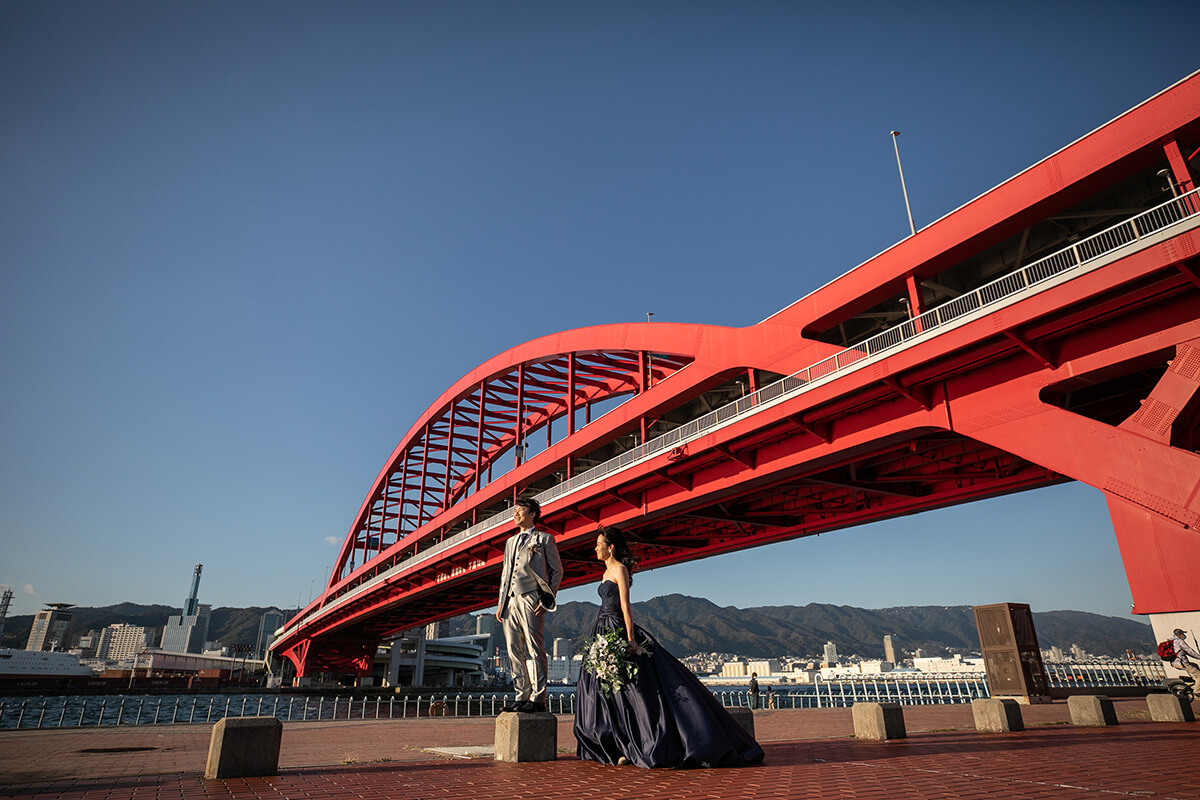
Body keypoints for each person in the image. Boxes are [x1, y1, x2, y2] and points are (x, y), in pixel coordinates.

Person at [574, 526, 765, 769]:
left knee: (631, 688)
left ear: (610, 547)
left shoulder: (619, 569)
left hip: (616, 629)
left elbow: (625, 606)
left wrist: (630, 639)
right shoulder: (605, 572)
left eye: (598, 543)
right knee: (606, 689)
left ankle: (640, 742)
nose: (595, 548)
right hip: (601, 628)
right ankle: (615, 743)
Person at [496, 498, 562, 713]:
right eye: (514, 511)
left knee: (535, 648)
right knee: (514, 650)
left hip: (531, 597)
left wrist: (546, 599)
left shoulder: (544, 539)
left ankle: (538, 697)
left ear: (532, 514)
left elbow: (557, 571)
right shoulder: (510, 542)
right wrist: (501, 603)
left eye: (520, 511)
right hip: (510, 601)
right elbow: (506, 574)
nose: (515, 515)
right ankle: (521, 694)